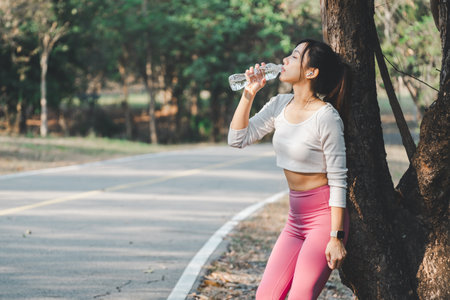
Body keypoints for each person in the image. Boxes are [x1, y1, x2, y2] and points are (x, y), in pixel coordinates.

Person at [227, 39, 351, 300]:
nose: (284, 60)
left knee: (300, 296)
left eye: (294, 57)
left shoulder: (326, 116)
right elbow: (237, 139)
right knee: (266, 296)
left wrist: (336, 236)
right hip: (295, 218)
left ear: (311, 72)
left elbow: (339, 179)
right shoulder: (279, 104)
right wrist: (249, 93)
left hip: (324, 218)